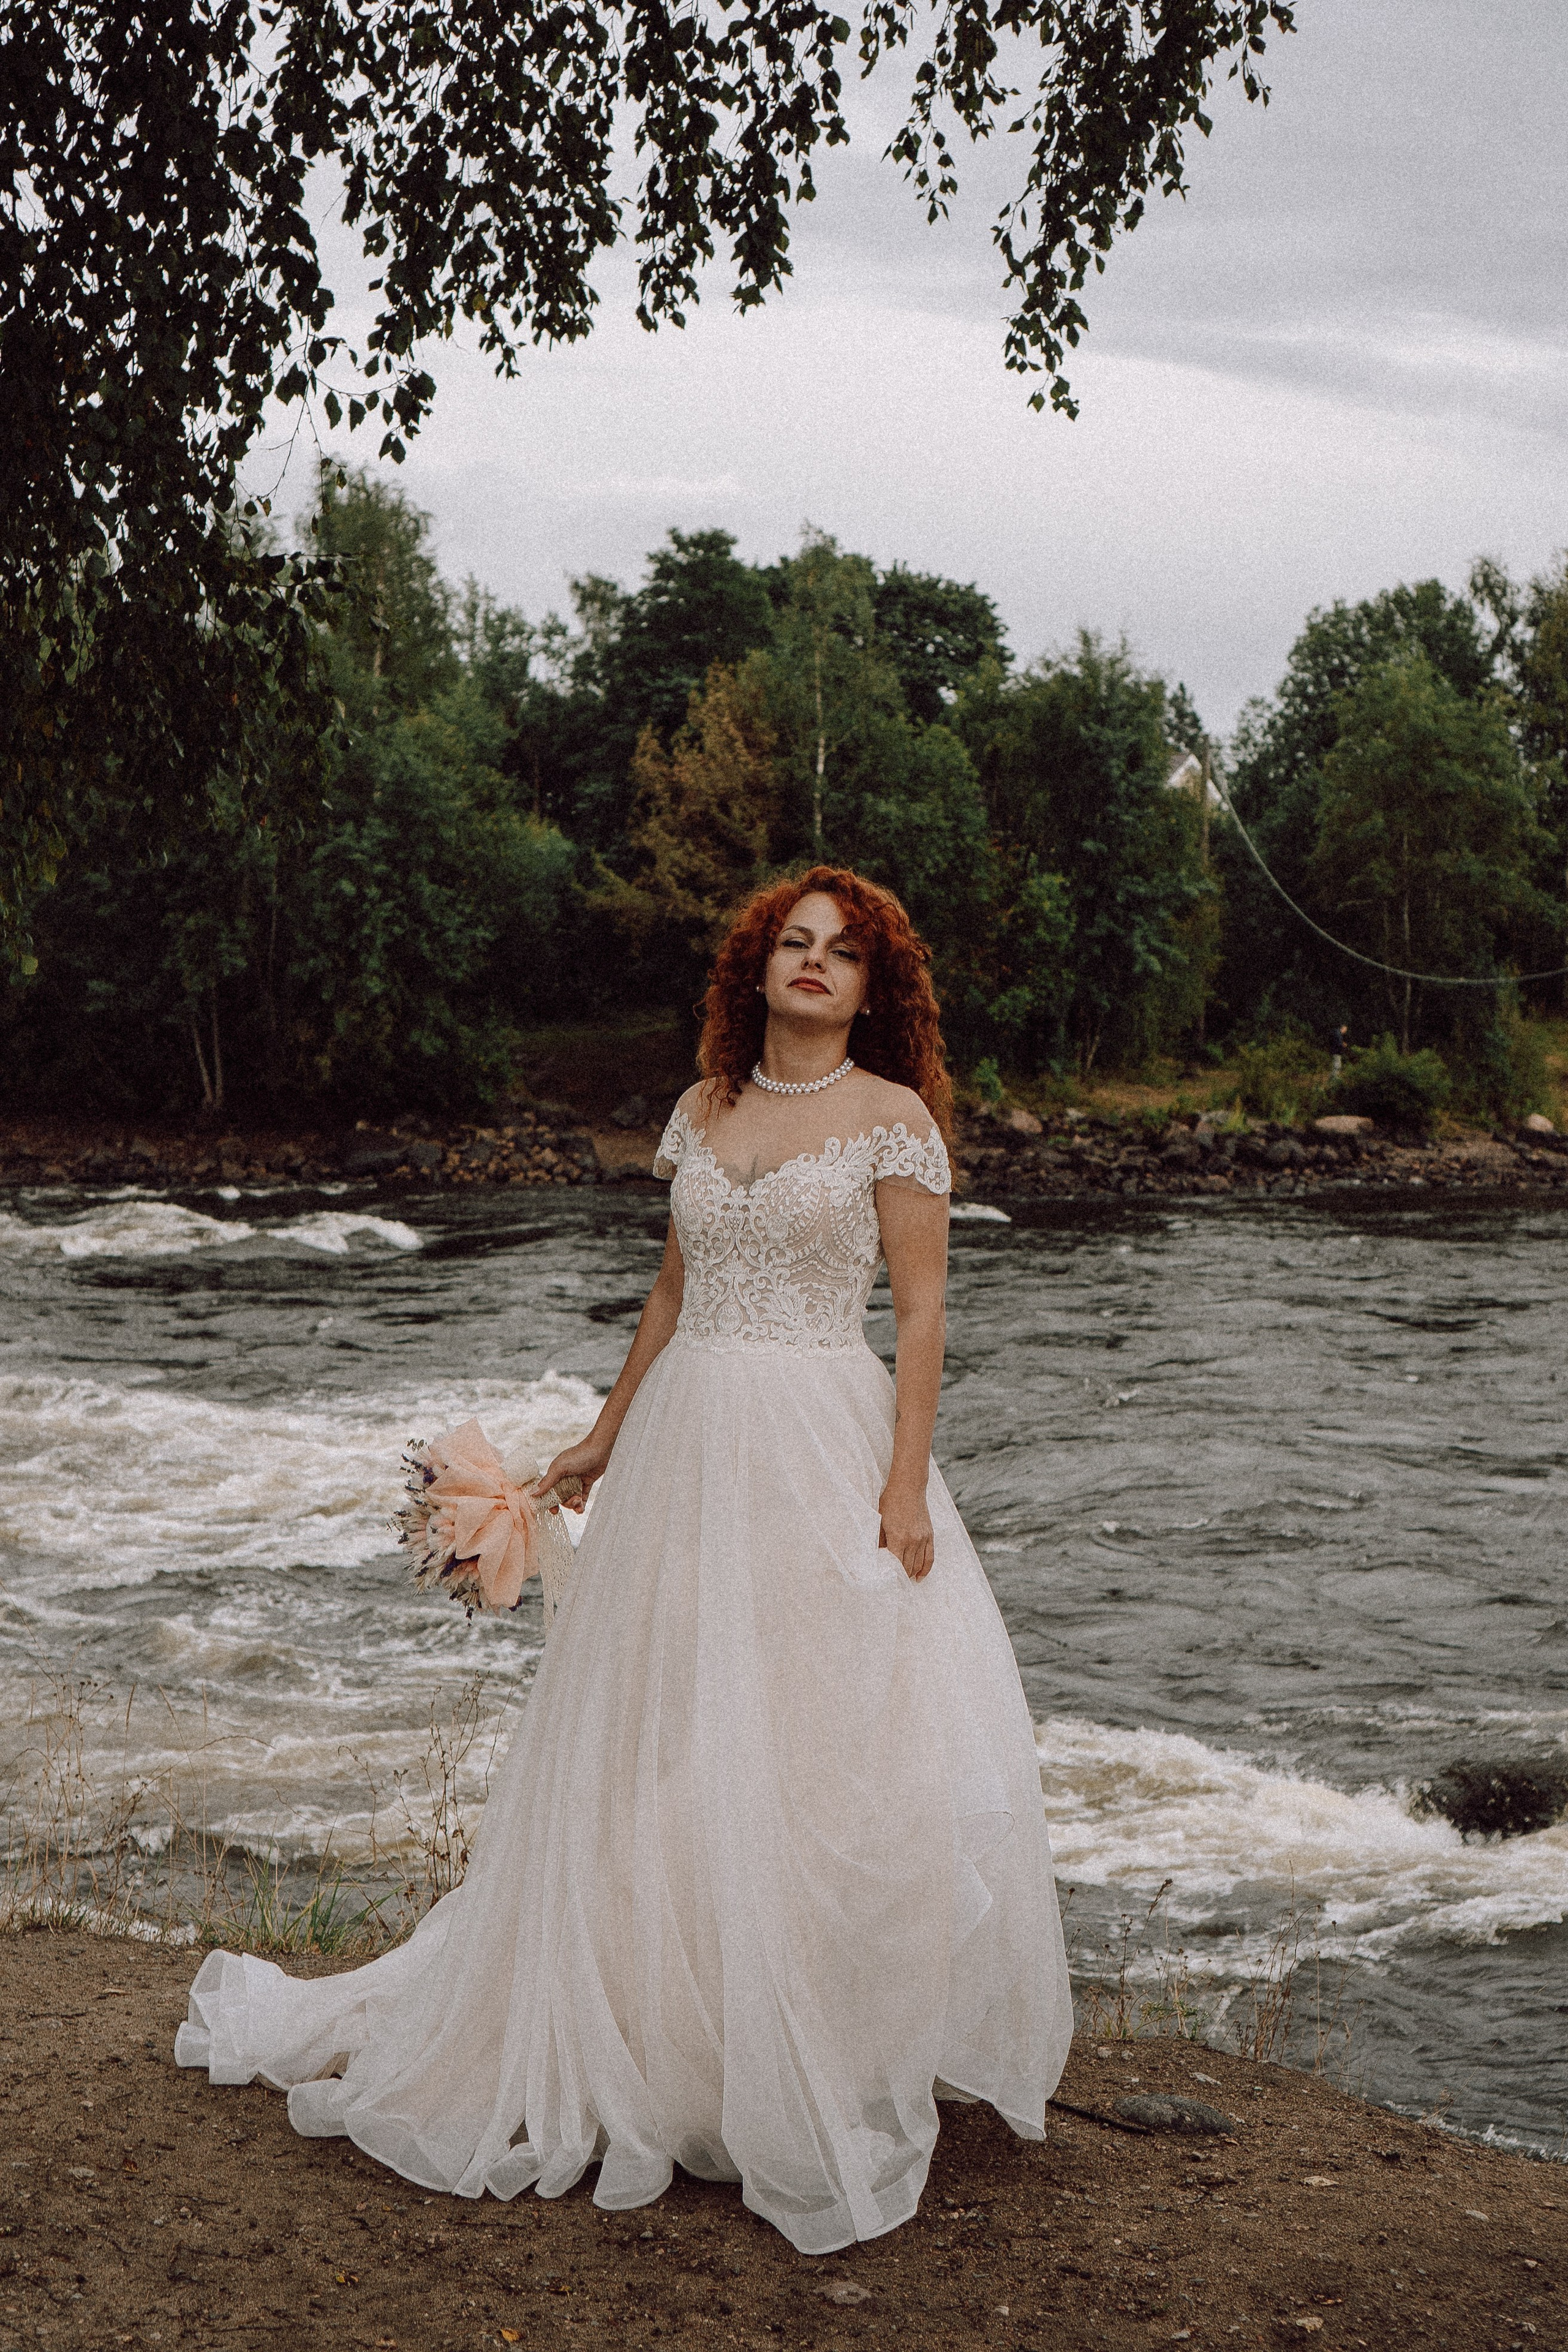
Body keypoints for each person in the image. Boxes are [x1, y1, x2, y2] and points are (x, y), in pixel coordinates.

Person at [174, 867, 1071, 2253]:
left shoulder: (892, 1121)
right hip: (685, 1443)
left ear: (873, 988)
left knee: (809, 1727)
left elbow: (922, 1310)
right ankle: (671, 2034)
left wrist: (903, 1487)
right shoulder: (703, 1110)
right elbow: (671, 1287)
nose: (815, 964)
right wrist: (604, 1432)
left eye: (843, 953)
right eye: (794, 944)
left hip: (817, 1442)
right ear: (755, 968)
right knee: (664, 1723)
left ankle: (806, 2031)